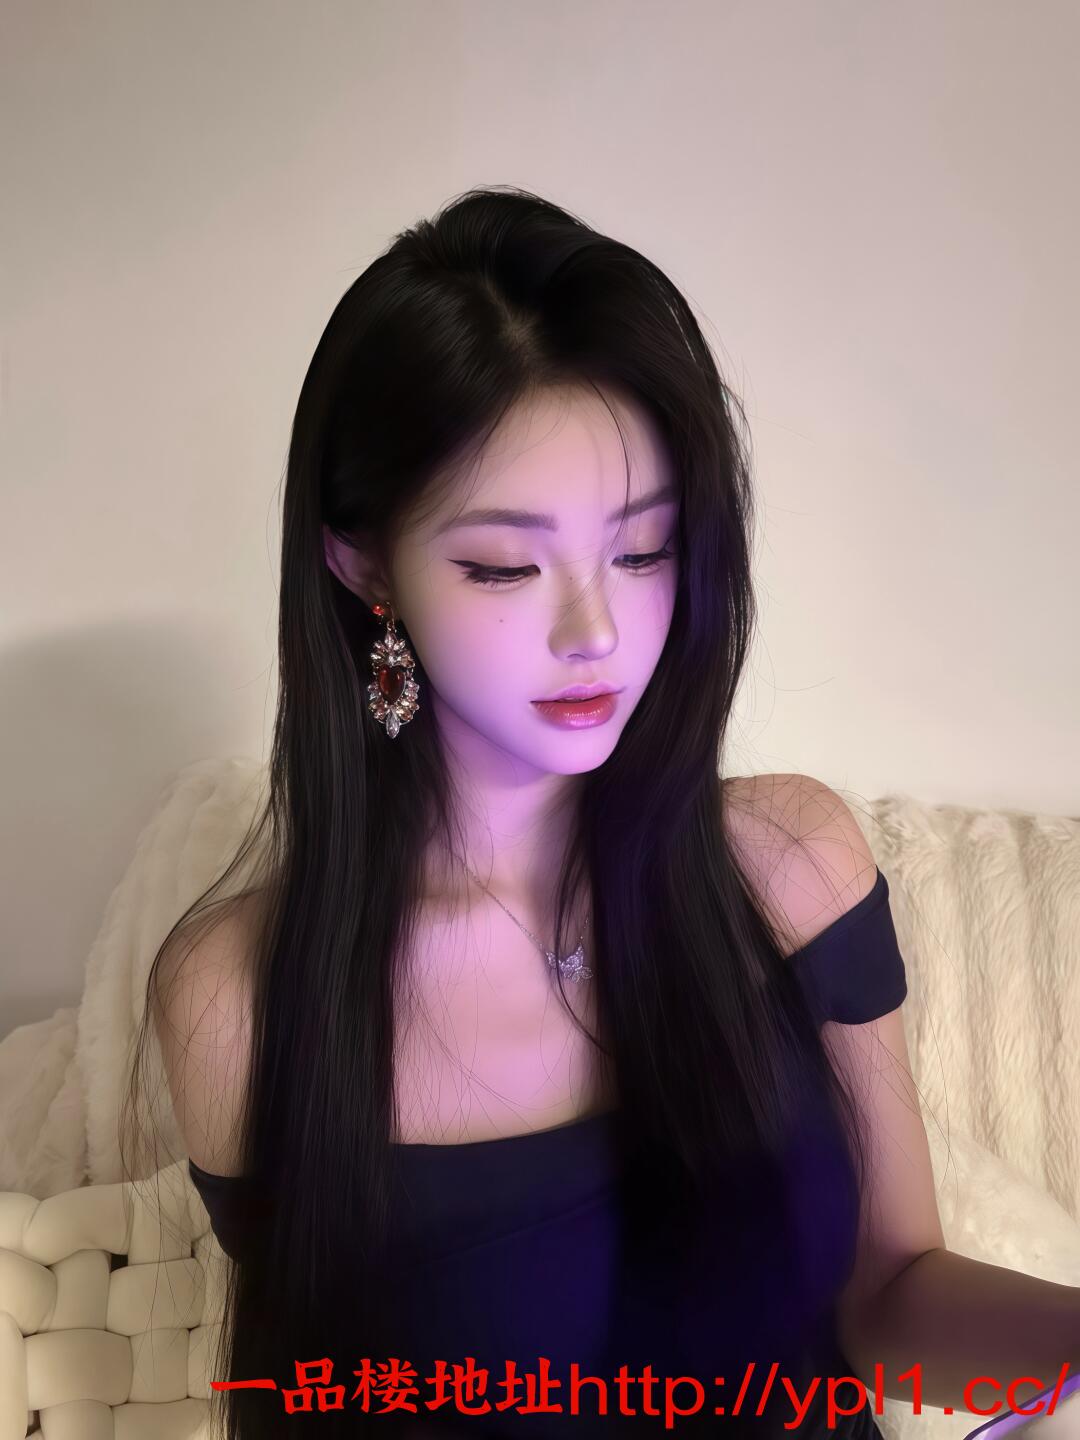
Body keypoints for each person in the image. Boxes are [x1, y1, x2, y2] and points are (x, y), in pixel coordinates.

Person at [127, 187, 1077, 1439]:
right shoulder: (241, 1001)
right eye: (504, 565)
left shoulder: (793, 870)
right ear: (363, 566)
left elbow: (892, 1295)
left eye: (643, 551)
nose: (596, 632)